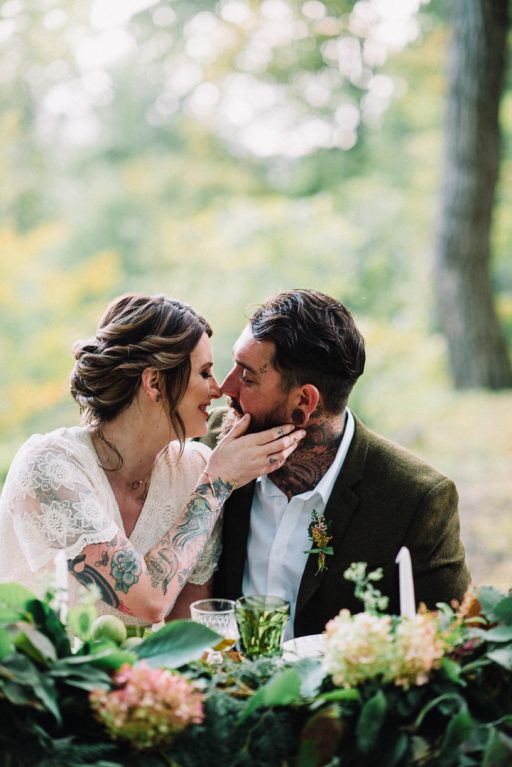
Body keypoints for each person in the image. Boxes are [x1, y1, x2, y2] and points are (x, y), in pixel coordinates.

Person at [0, 293, 305, 630]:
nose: (218, 390)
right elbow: (148, 602)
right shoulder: (51, 467)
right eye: (205, 373)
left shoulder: (193, 470)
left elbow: (186, 626)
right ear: (154, 382)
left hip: (138, 679)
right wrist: (217, 483)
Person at [205, 289, 471, 640]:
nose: (226, 388)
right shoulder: (212, 445)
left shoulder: (416, 500)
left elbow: (453, 640)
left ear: (305, 401)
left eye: (248, 376)